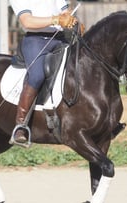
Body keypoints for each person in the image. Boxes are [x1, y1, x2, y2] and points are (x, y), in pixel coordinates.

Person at [9, 0, 78, 147]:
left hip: (60, 38)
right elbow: (27, 22)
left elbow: (65, 13)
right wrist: (56, 19)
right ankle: (20, 126)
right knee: (37, 76)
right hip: (35, 41)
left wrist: (72, 21)